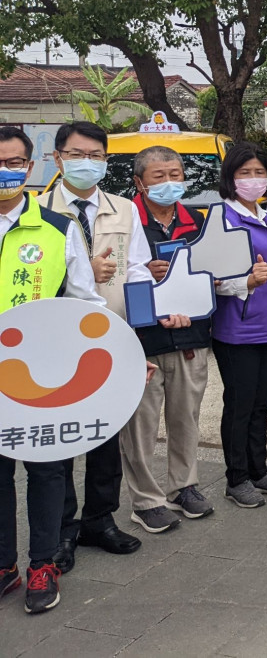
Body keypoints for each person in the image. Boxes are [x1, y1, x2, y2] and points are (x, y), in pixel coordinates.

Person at [40, 122, 156, 571]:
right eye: (76, 153)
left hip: (113, 338)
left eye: (96, 155)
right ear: (58, 159)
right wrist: (81, 271)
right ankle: (63, 529)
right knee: (65, 437)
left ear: (106, 162)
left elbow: (141, 269)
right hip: (57, 344)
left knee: (106, 434)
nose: (86, 162)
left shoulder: (124, 209)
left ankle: (99, 519)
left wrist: (139, 333)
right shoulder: (39, 212)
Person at [0, 126, 106, 614]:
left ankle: (43, 562)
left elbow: (87, 305)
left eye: (16, 162)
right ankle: (4, 565)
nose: (7, 171)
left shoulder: (57, 230)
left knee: (46, 469)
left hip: (41, 379)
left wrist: (121, 356)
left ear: (31, 166)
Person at [121, 146, 218, 533]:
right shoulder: (124, 222)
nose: (169, 183)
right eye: (159, 176)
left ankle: (184, 486)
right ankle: (146, 500)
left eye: (175, 174)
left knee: (186, 418)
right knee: (140, 425)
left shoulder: (198, 220)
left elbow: (212, 273)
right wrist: (142, 270)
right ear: (139, 182)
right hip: (141, 339)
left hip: (190, 334)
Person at [211, 142, 267, 508]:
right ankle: (236, 478)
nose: (253, 179)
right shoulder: (222, 218)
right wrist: (245, 283)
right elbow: (210, 277)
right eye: (245, 173)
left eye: (259, 173)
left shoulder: (265, 217)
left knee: (261, 403)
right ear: (230, 179)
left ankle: (258, 470)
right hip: (238, 329)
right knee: (240, 405)